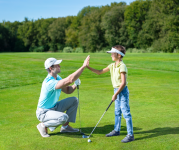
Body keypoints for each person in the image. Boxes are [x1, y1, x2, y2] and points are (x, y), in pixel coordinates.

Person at [87, 45, 134, 143]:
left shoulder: (122, 66)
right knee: (117, 112)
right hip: (116, 90)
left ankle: (130, 135)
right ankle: (117, 130)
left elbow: (123, 82)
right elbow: (100, 72)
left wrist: (116, 93)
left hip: (122, 91)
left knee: (126, 113)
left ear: (119, 55)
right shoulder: (112, 65)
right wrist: (87, 67)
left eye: (113, 53)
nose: (111, 55)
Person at [36, 55, 90, 137]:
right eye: (57, 65)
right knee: (63, 117)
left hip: (54, 107)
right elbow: (69, 80)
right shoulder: (49, 82)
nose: (59, 66)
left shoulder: (57, 78)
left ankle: (65, 127)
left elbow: (68, 91)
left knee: (74, 100)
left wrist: (75, 85)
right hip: (43, 112)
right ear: (51, 68)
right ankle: (43, 125)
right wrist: (83, 66)